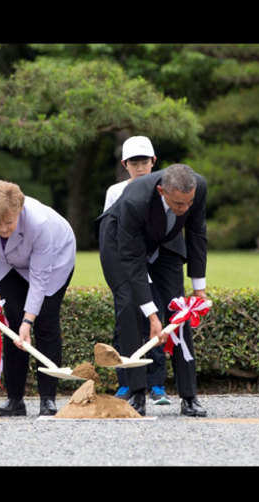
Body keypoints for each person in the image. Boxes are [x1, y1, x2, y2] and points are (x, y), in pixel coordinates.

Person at [96, 163, 208, 417]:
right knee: (129, 307)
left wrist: (198, 288)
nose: (185, 209)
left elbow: (197, 233)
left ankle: (189, 397)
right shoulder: (135, 199)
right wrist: (152, 316)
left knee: (179, 309)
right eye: (179, 204)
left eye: (189, 203)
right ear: (161, 191)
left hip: (166, 240)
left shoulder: (197, 188)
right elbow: (133, 262)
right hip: (121, 241)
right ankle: (136, 392)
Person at [0, 181, 76, 417]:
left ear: (20, 211)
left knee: (45, 322)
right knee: (11, 324)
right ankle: (15, 399)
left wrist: (29, 322)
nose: (3, 228)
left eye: (9, 222)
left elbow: (39, 279)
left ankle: (48, 399)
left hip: (53, 264)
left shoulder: (39, 224)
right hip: (8, 262)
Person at [102, 136, 170, 406]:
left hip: (153, 263)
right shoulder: (114, 192)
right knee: (125, 320)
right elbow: (109, 233)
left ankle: (156, 383)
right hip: (125, 265)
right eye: (134, 163)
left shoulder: (166, 189)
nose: (139, 167)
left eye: (144, 162)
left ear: (153, 162)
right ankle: (127, 381)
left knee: (155, 319)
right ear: (125, 164)